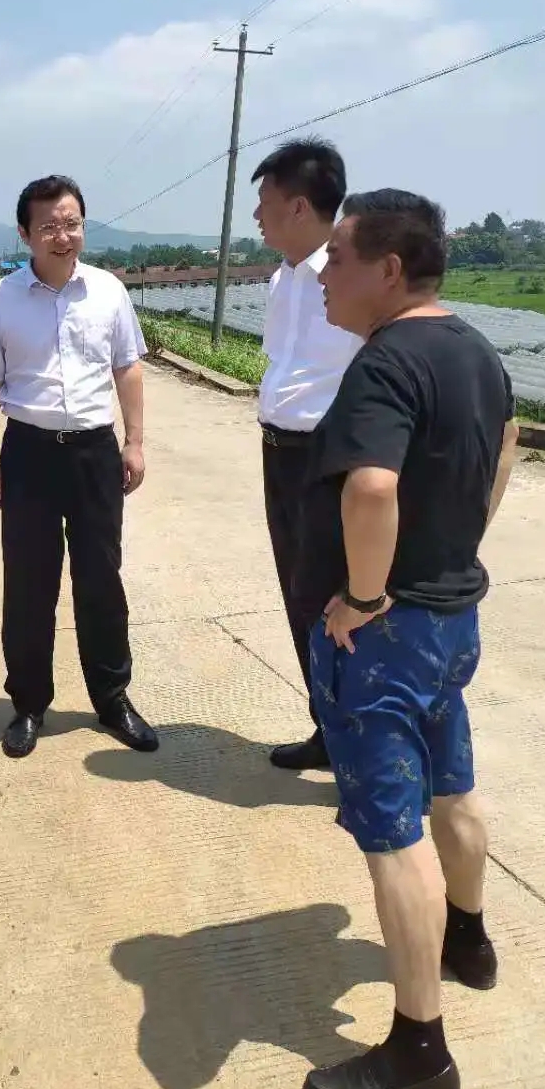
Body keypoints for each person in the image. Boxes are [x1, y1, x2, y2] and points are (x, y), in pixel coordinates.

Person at [300, 190, 518, 1089]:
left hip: (387, 636)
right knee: (453, 785)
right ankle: (470, 939)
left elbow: (371, 489)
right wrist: (459, 547)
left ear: (389, 270)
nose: (324, 273)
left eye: (339, 257)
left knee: (394, 837)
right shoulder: (475, 349)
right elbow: (506, 449)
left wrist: (361, 595)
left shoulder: (386, 361)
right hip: (451, 618)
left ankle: (419, 1054)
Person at [0, 173, 158, 760]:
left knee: (102, 580)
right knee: (29, 584)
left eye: (71, 223)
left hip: (95, 451)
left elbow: (127, 367)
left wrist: (135, 441)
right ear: (25, 233)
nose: (62, 235)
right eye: (49, 225)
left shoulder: (108, 291)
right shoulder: (1, 300)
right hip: (28, 452)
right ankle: (28, 703)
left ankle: (113, 698)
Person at [250, 137, 361, 771]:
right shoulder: (281, 279)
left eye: (265, 202)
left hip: (326, 458)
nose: (257, 216)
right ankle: (328, 728)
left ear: (298, 206)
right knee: (299, 595)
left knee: (337, 601)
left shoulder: (347, 276)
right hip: (279, 453)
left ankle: (362, 745)